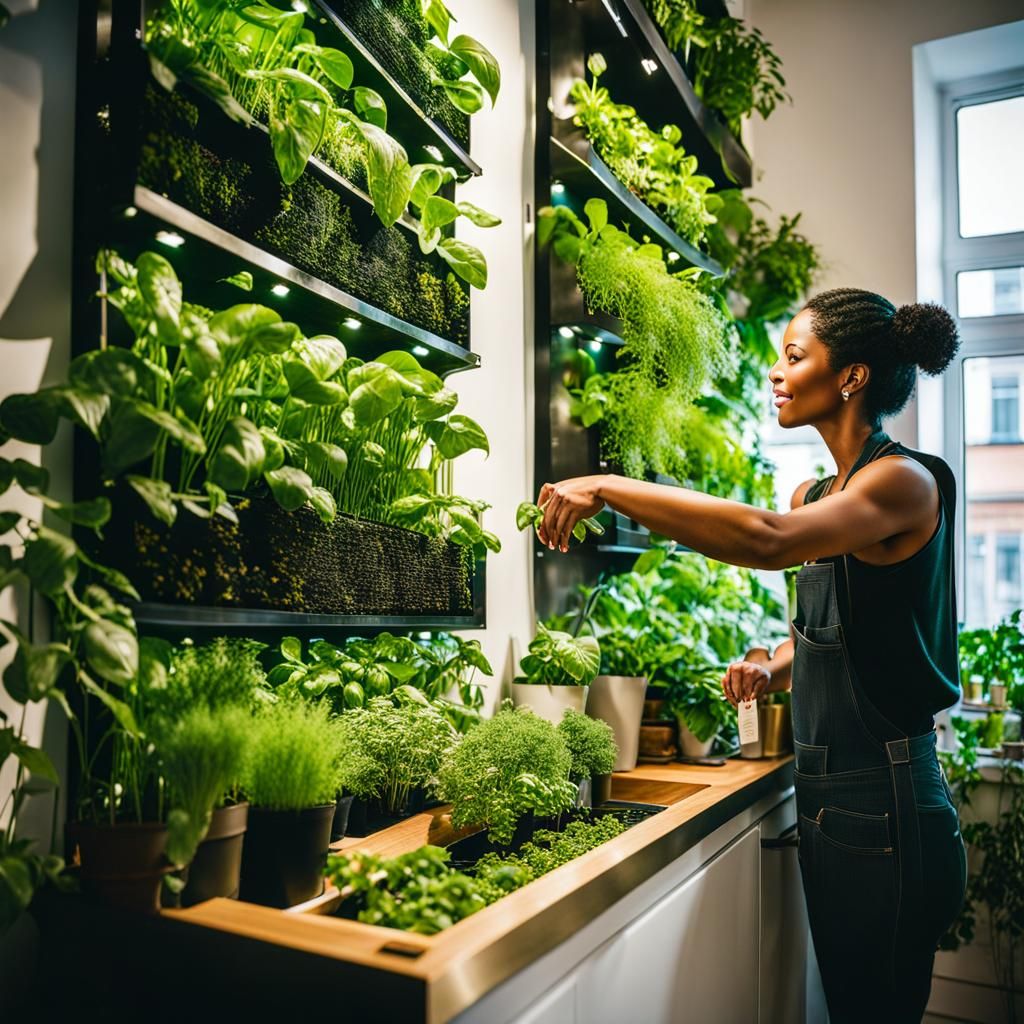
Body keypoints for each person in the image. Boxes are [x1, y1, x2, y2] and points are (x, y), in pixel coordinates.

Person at [536, 288, 967, 1023]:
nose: (776, 372)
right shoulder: (816, 496)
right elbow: (848, 626)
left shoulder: (903, 481)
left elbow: (766, 540)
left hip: (887, 797)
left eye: (794, 356)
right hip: (829, 796)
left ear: (852, 377)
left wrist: (609, 485)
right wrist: (773, 668)